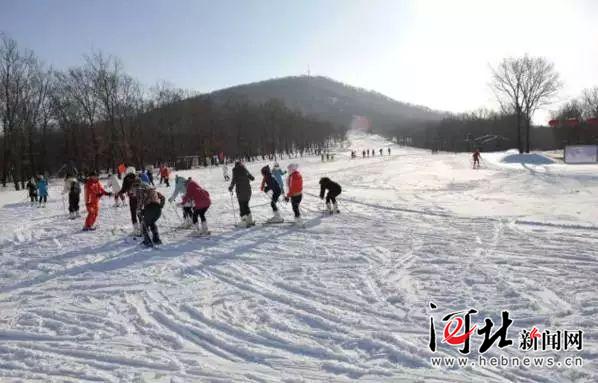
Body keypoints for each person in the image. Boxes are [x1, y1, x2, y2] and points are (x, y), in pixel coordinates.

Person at [137, 182, 165, 246]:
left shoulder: (145, 193)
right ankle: (156, 239)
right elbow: (163, 198)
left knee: (145, 225)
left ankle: (147, 241)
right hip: (158, 210)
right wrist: (161, 205)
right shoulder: (155, 192)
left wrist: (139, 210)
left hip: (150, 209)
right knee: (152, 223)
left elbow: (141, 201)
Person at [228, 160, 255, 227]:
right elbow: (252, 178)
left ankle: (244, 222)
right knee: (246, 205)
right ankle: (250, 220)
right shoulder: (244, 169)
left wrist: (231, 187)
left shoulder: (235, 170)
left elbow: (233, 180)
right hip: (248, 191)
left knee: (242, 206)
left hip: (240, 192)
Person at [118, 167, 142, 235]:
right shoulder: (138, 178)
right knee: (140, 212)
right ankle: (143, 228)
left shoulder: (126, 178)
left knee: (133, 213)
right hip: (140, 197)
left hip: (132, 198)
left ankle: (136, 230)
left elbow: (124, 189)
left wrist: (120, 192)